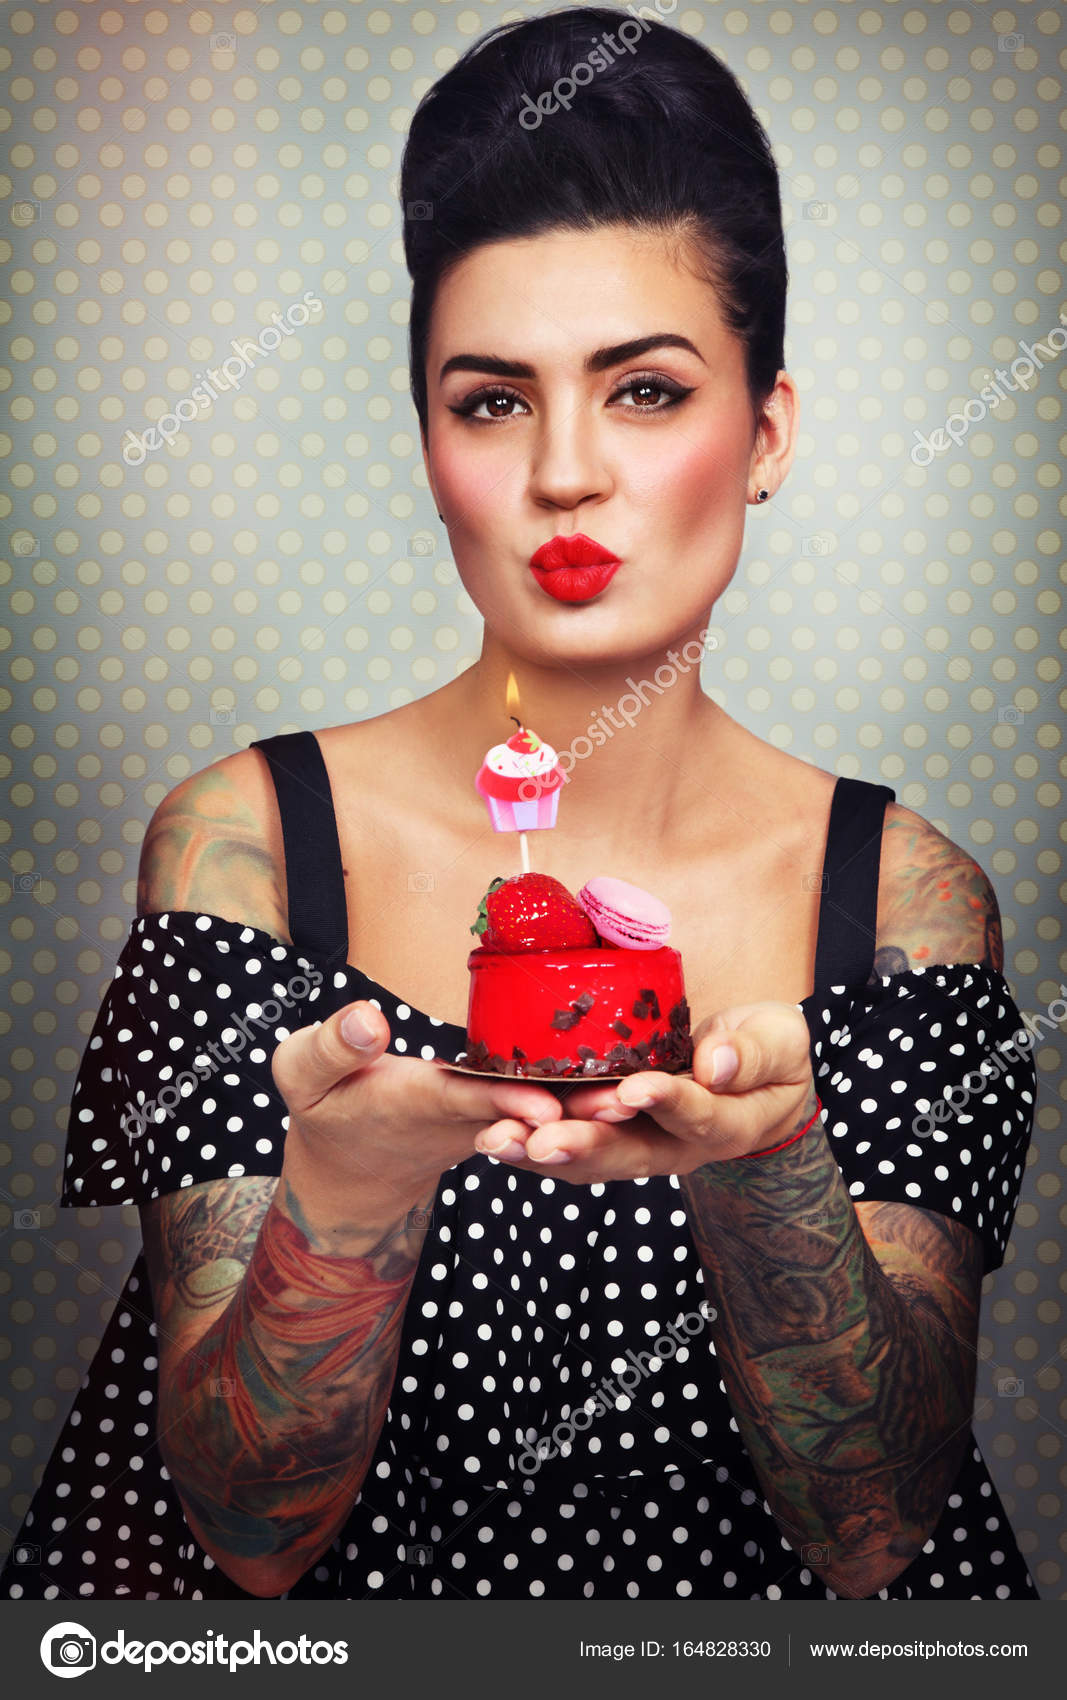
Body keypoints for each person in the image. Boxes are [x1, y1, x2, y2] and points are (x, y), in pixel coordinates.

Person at [3, 7, 1039, 1602]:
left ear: (764, 433)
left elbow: (878, 1530)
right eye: (492, 400)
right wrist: (346, 1190)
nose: (565, 472)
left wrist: (768, 1169)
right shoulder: (245, 844)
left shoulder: (903, 901)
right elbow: (243, 1530)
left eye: (643, 391)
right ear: (426, 438)